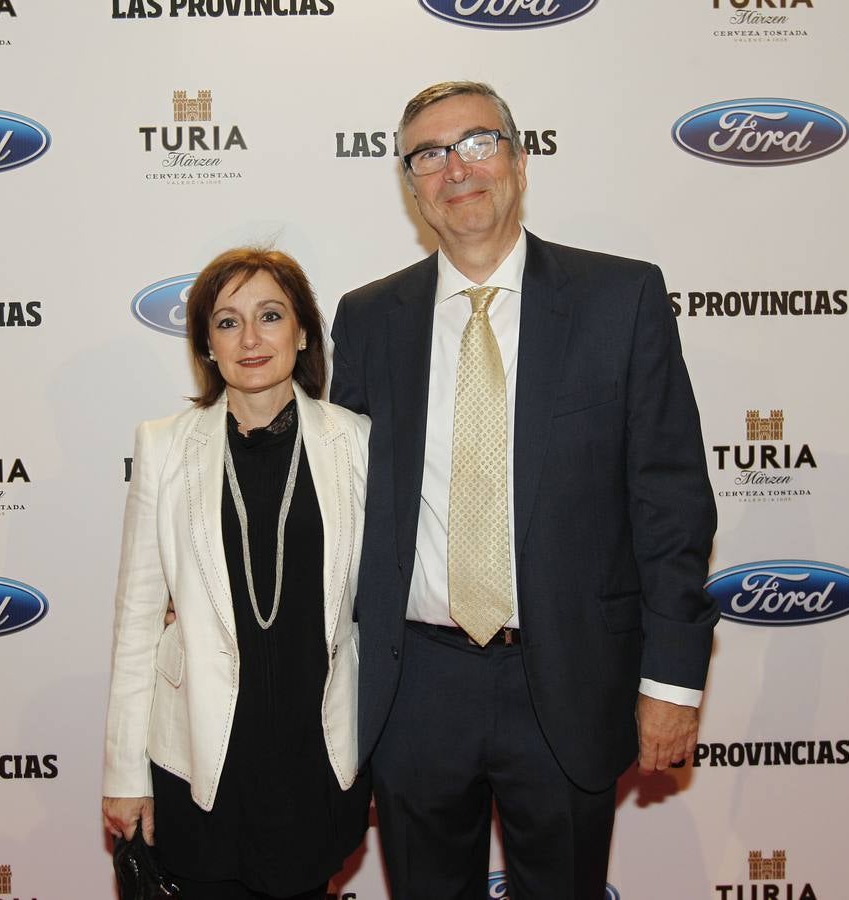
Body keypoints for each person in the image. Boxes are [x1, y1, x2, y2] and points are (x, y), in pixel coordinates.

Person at [329, 81, 718, 900]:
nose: (455, 169)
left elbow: (670, 502)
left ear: (518, 156)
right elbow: (340, 503)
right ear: (410, 185)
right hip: (412, 690)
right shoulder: (367, 318)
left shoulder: (621, 298)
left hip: (570, 679)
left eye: (476, 142)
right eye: (427, 155)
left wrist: (672, 682)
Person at [102, 247, 372, 900]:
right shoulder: (164, 445)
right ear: (205, 342)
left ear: (302, 331)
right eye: (227, 322)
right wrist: (123, 771)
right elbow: (138, 617)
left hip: (315, 750)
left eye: (270, 315)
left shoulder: (356, 440)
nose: (250, 339)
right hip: (200, 754)